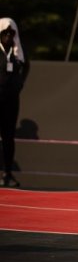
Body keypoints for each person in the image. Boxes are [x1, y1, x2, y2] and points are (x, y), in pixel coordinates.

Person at [0, 18, 29, 187]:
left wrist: (20, 83)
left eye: (11, 33)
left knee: (8, 137)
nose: (8, 36)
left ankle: (8, 173)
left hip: (11, 101)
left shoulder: (17, 52)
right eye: (5, 33)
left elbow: (27, 66)